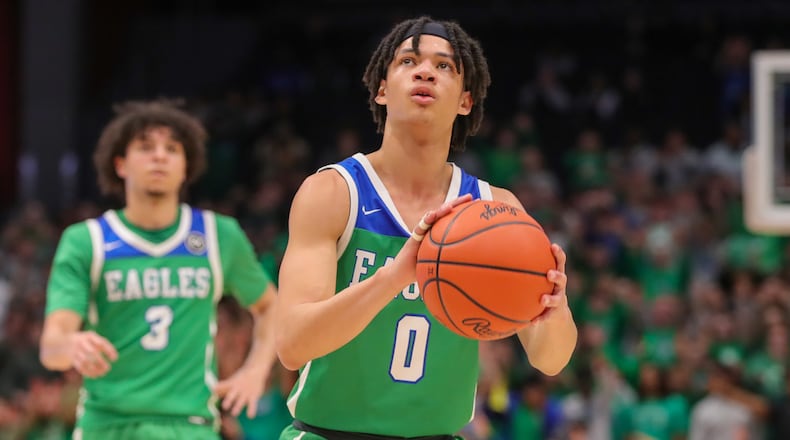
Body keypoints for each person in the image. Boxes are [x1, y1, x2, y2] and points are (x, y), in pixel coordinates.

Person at [275, 16, 578, 439]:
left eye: (445, 66)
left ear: (465, 101)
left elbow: (551, 360)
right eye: (408, 61)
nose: (425, 72)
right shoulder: (333, 193)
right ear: (382, 90)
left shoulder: (495, 209)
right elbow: (292, 346)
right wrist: (393, 278)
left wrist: (553, 307)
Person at [39, 100, 278, 440]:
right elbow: (52, 344)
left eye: (172, 149)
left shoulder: (218, 235)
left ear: (186, 167)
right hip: (107, 425)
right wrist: (70, 346)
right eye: (145, 147)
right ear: (120, 164)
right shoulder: (86, 241)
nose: (160, 156)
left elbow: (271, 307)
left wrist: (255, 371)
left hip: (190, 425)